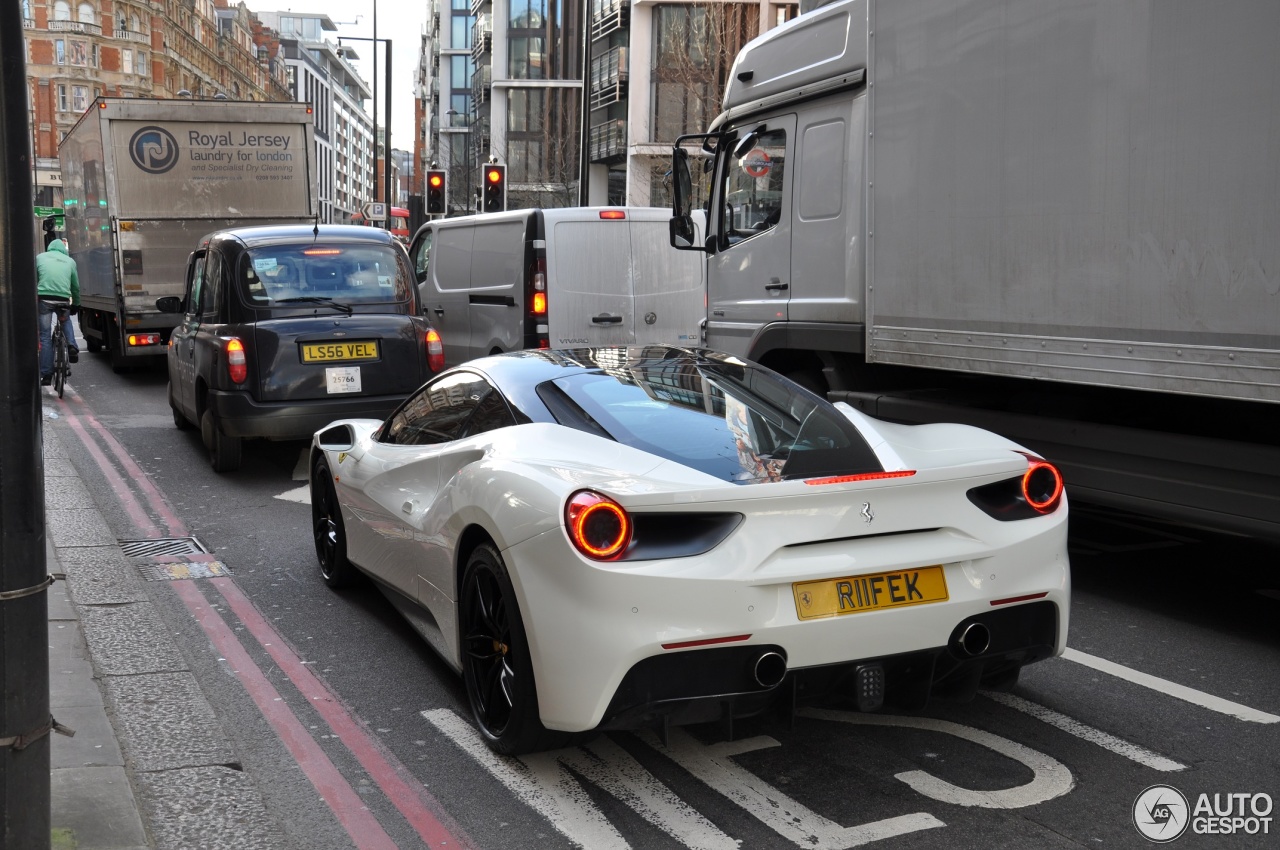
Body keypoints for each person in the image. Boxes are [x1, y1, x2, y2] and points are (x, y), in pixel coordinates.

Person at [37, 237, 81, 386]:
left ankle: (47, 375)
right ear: (63, 250)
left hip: (44, 299)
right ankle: (72, 346)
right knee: (65, 319)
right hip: (62, 299)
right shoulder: (70, 261)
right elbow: (75, 287)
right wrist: (76, 304)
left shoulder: (40, 258)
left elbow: (34, 280)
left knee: (44, 336)